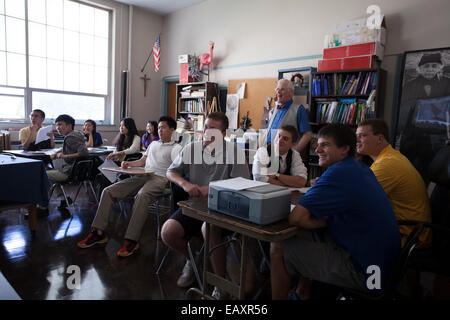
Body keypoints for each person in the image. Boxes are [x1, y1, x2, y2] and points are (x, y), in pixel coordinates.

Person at [270, 123, 401, 300]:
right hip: (385, 268)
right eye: (318, 144)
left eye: (325, 145)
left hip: (368, 275)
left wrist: (323, 221)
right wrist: (325, 221)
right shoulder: (360, 169)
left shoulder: (337, 173)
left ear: (345, 149)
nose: (317, 149)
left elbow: (296, 218)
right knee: (305, 234)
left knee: (280, 246)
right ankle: (302, 293)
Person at [161, 112, 250, 298]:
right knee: (168, 232)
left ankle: (220, 282)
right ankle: (193, 261)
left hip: (223, 209)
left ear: (223, 133)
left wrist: (213, 189)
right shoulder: (192, 148)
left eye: (214, 129)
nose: (208, 132)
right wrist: (185, 184)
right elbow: (171, 172)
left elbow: (243, 185)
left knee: (208, 228)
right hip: (195, 207)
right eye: (206, 127)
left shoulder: (235, 152)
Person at [77, 116, 182, 257]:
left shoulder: (176, 147)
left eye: (163, 127)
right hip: (143, 174)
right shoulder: (153, 144)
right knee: (108, 191)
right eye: (159, 128)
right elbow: (142, 161)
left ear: (172, 129)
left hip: (161, 178)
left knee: (142, 195)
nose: (160, 130)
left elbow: (178, 169)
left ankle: (131, 239)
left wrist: (171, 179)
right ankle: (98, 232)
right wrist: (129, 165)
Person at [356, 119, 432, 247]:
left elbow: (356, 199)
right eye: (356, 136)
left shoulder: (387, 164)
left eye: (362, 136)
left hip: (408, 238)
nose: (356, 140)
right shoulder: (390, 157)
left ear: (380, 139)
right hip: (405, 231)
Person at [41, 114, 89, 215]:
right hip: (75, 173)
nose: (57, 128)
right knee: (51, 176)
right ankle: (63, 200)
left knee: (41, 173)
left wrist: (64, 156)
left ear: (69, 125)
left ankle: (42, 206)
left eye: (60, 125)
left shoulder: (70, 137)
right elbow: (70, 148)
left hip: (68, 173)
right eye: (56, 125)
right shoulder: (76, 134)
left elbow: (84, 152)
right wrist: (57, 152)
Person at [265, 79, 312, 154]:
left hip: (285, 155)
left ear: (291, 93)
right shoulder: (274, 110)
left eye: (282, 89)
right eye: (277, 89)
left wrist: (294, 152)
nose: (278, 92)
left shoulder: (299, 110)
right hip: (268, 151)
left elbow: (308, 134)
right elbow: (267, 131)